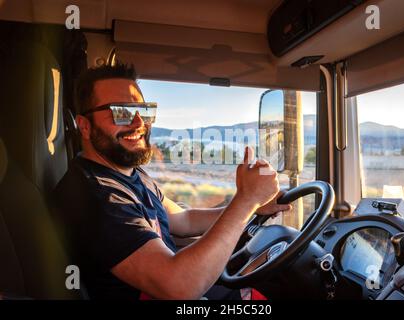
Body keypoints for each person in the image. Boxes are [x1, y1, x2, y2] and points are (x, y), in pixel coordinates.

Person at [52, 62, 291, 300]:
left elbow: (183, 220)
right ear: (84, 126)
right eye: (121, 112)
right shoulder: (97, 197)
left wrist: (253, 207)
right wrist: (245, 201)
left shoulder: (128, 175)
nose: (139, 124)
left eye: (144, 111)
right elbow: (178, 286)